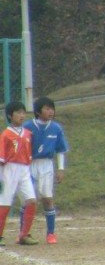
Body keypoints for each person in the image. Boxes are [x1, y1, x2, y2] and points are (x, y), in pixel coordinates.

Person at [24, 96, 69, 244]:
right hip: (30, 164)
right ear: (38, 111)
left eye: (52, 109)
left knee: (47, 198)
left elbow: (60, 150)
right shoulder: (28, 127)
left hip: (46, 165)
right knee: (29, 199)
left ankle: (50, 233)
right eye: (47, 109)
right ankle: (24, 233)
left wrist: (61, 169)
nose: (51, 112)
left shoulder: (56, 128)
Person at [0, 101, 38, 246]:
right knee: (4, 203)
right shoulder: (6, 135)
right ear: (10, 116)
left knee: (31, 200)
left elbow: (28, 155)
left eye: (23, 112)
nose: (22, 115)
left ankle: (24, 235)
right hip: (9, 169)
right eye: (18, 112)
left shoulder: (28, 134)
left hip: (24, 170)